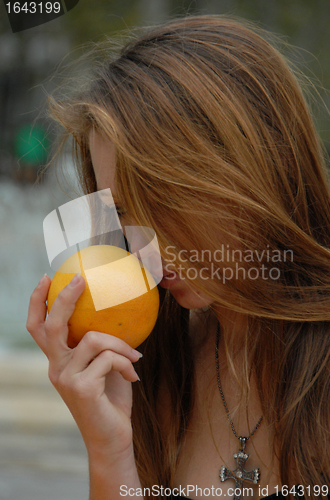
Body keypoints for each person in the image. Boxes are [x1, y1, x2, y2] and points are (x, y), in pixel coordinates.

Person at [26, 14, 330, 500]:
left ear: (253, 169)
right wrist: (110, 453)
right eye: (124, 212)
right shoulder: (153, 365)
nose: (144, 243)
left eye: (164, 199)